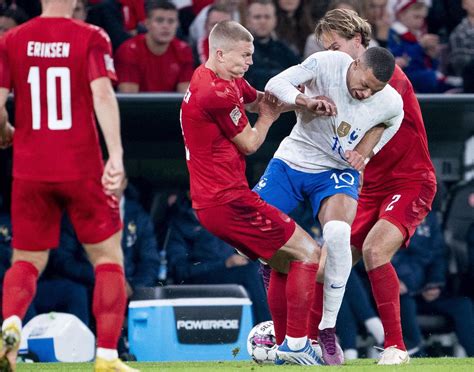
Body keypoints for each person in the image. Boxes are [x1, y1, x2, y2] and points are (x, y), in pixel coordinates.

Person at [0, 0, 136, 371]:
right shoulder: (90, 36)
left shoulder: (12, 39)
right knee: (107, 259)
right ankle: (107, 356)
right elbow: (103, 95)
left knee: (27, 261)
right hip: (80, 166)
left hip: (30, 168)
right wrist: (117, 154)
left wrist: (6, 130)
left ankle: (11, 324)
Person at [180, 20, 324, 365]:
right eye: (245, 56)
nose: (251, 62)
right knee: (309, 253)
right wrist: (272, 117)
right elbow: (250, 142)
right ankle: (297, 343)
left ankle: (285, 341)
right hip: (228, 201)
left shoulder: (222, 79)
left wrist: (304, 103)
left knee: (282, 262)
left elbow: (261, 101)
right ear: (220, 52)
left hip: (218, 202)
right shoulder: (213, 92)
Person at [258, 29, 402, 364]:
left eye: (373, 90)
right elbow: (277, 83)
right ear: (354, 64)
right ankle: (272, 268)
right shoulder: (327, 63)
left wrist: (367, 150)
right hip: (294, 159)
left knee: (338, 234)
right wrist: (305, 101)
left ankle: (325, 328)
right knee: (251, 237)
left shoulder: (388, 100)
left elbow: (392, 120)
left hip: (335, 172)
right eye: (363, 83)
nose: (364, 93)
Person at [309, 8, 436, 365]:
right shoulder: (339, 82)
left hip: (411, 181)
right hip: (370, 188)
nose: (331, 55)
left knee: (376, 250)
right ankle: (304, 343)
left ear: (359, 42)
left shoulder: (384, 71)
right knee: (325, 264)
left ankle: (396, 346)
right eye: (326, 50)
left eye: (336, 46)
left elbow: (378, 120)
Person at [166, 193, 271, 324]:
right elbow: (180, 271)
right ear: (189, 192)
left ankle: (283, 331)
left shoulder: (226, 214)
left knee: (264, 267)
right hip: (199, 279)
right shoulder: (180, 223)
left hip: (232, 273)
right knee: (251, 272)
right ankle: (267, 332)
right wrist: (224, 264)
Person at [394, 211, 474, 357]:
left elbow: (438, 255)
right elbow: (387, 255)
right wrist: (396, 280)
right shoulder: (390, 215)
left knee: (463, 305)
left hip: (424, 291)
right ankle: (419, 357)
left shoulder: (430, 218)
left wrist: (434, 284)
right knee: (404, 301)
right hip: (399, 290)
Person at [114, 0, 194, 93]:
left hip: (172, 107)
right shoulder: (129, 50)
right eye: (159, 20)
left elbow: (184, 97)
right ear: (147, 24)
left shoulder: (184, 50)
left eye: (171, 21)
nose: (165, 26)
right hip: (138, 107)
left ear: (177, 25)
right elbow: (129, 99)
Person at [245, 0, 300, 91]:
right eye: (257, 17)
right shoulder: (238, 52)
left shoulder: (285, 50)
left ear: (275, 20)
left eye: (267, 17)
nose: (262, 21)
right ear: (248, 21)